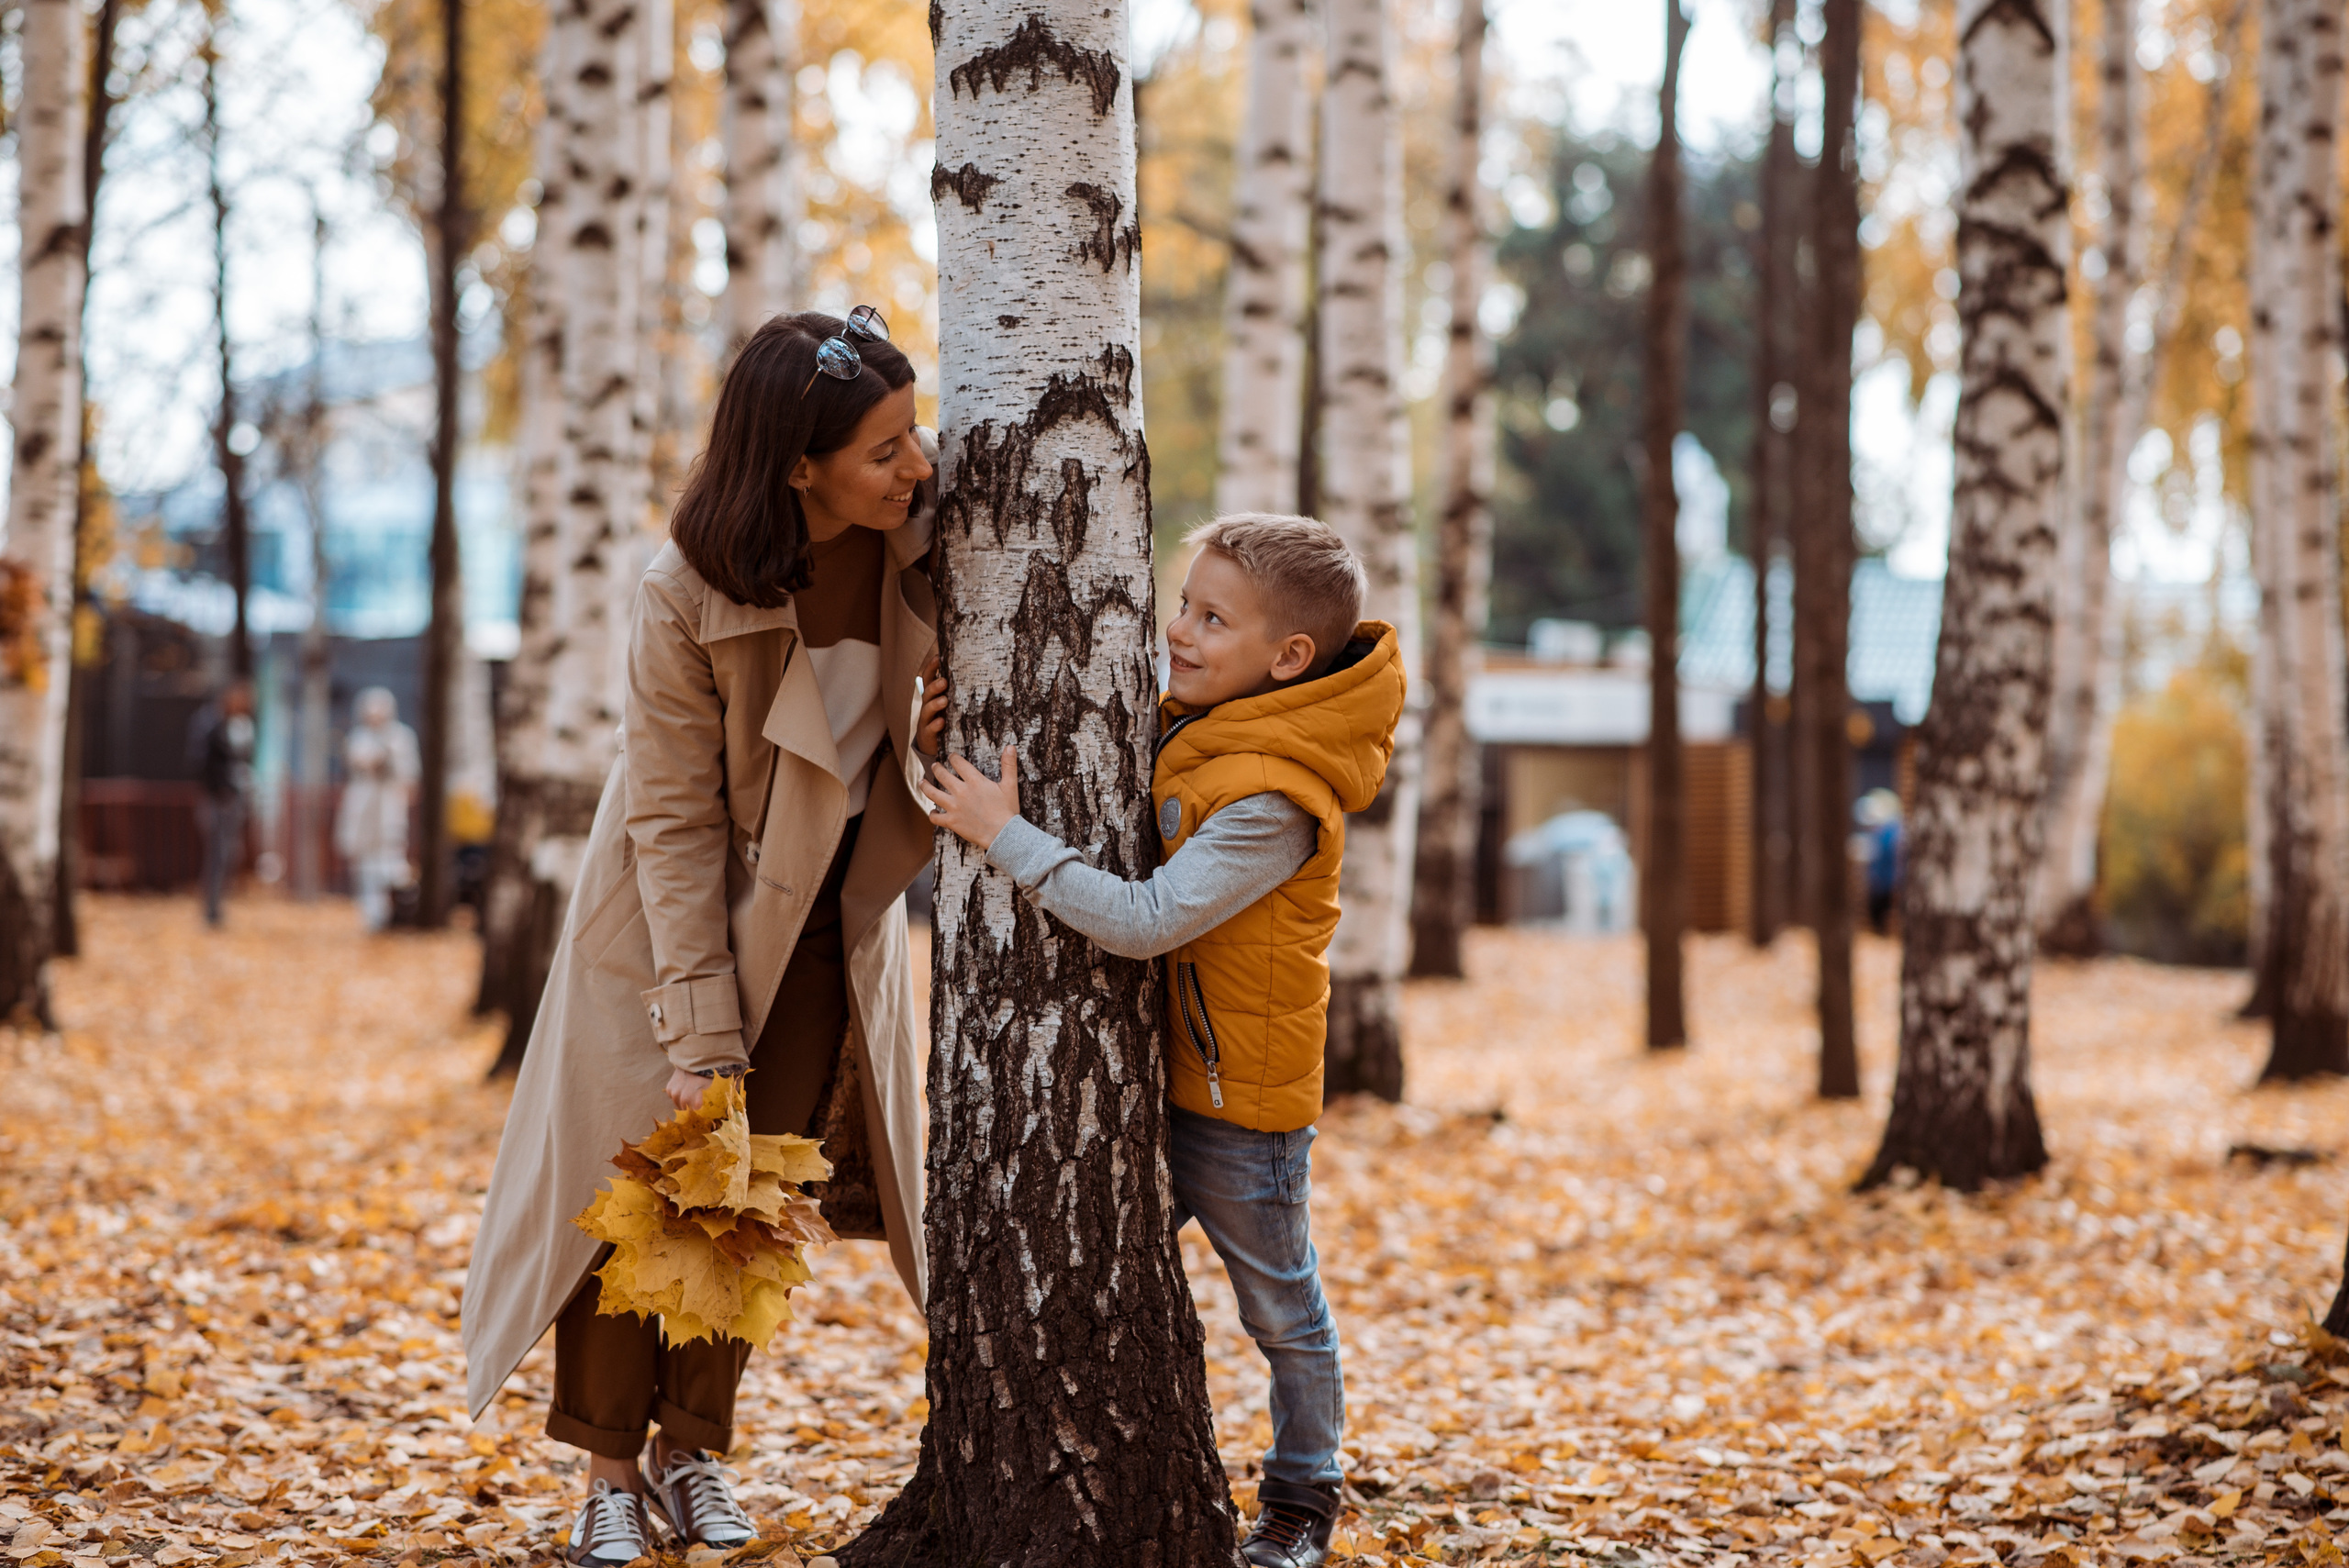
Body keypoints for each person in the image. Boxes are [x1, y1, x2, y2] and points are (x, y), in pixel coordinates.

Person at [461, 309, 948, 1566]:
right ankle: (610, 1478)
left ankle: (694, 1452)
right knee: (650, 1196)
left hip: (831, 927)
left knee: (748, 1205)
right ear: (799, 466)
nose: (920, 463)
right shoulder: (685, 590)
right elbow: (673, 821)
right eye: (886, 448)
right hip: (677, 931)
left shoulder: (928, 545)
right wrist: (699, 1020)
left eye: (915, 432)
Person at [924, 513, 1405, 1568]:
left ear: (1286, 658)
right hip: (1157, 1078)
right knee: (1079, 1265)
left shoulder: (1276, 794)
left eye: (1211, 618)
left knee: (1280, 1306)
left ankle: (1302, 1492)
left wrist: (1005, 833)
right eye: (1183, 604)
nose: (1177, 630)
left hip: (1241, 1107)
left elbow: (1146, 920)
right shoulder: (1212, 722)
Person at [336, 687, 419, 932]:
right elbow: (360, 762)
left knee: (393, 862)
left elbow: (409, 776)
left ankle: (399, 911)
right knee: (365, 865)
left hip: (390, 811)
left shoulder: (402, 737)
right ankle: (372, 915)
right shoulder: (359, 738)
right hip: (363, 812)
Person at [189, 678, 255, 929]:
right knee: (217, 853)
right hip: (216, 798)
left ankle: (217, 906)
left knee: (228, 853)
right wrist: (219, 789)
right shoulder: (209, 722)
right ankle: (211, 909)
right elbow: (200, 761)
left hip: (233, 797)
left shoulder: (239, 725)